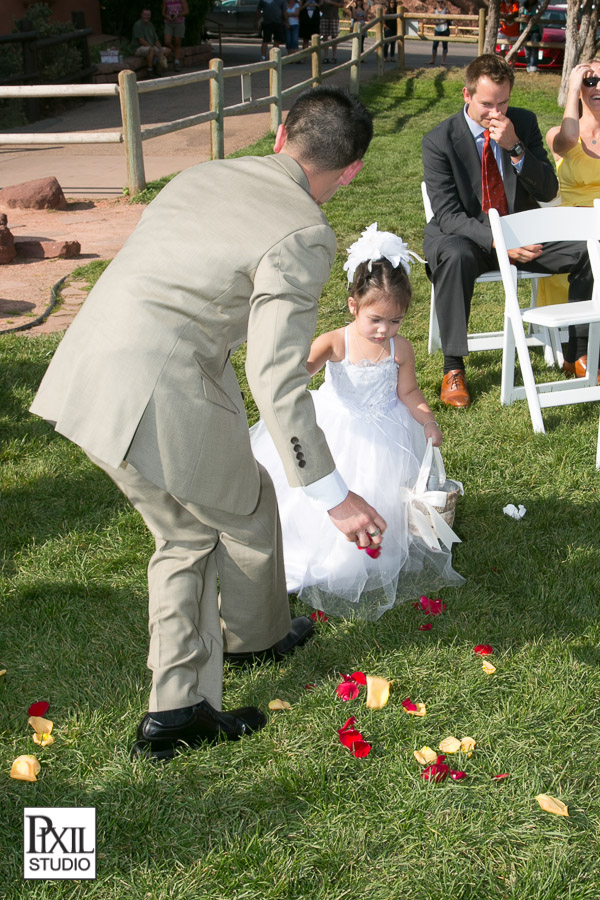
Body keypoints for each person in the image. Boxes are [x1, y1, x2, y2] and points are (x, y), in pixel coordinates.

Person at [29, 87, 378, 760]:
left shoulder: (204, 172)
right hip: (151, 390)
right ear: (353, 169)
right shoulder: (306, 233)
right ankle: (177, 713)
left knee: (246, 501)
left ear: (281, 134)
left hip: (88, 367)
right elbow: (276, 378)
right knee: (188, 534)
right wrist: (334, 496)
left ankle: (255, 638)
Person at [251, 224, 464, 621]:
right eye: (377, 320)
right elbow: (299, 372)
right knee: (330, 496)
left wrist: (427, 420)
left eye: (396, 321)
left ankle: (378, 547)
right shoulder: (336, 342)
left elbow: (410, 393)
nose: (385, 330)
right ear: (354, 306)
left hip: (388, 434)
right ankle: (328, 550)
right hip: (339, 430)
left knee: (386, 496)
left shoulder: (402, 349)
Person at [421, 53, 593, 408]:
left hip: (526, 236)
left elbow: (548, 191)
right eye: (486, 104)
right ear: (466, 96)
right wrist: (502, 243)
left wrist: (516, 149)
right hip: (469, 238)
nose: (495, 113)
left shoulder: (523, 124)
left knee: (590, 247)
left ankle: (578, 352)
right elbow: (449, 216)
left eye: (503, 103)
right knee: (453, 254)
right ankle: (453, 367)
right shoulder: (439, 140)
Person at [538, 60, 600, 380]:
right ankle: (581, 351)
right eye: (591, 82)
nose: (598, 87)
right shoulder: (560, 137)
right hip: (573, 227)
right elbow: (570, 135)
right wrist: (574, 85)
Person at [132, 8, 170, 77]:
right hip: (139, 47)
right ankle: (150, 70)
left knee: (167, 51)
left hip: (151, 46)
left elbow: (156, 40)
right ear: (141, 15)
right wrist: (152, 47)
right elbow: (141, 40)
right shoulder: (138, 25)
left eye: (148, 15)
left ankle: (156, 66)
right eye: (145, 15)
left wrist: (160, 49)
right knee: (152, 50)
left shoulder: (151, 25)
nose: (147, 16)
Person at [162, 0, 188, 72]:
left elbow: (186, 11)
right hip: (168, 22)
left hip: (179, 22)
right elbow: (163, 12)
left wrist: (178, 15)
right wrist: (167, 16)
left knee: (177, 42)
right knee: (167, 41)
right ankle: (175, 52)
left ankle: (176, 61)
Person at [519, 0, 541, 74]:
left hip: (535, 30)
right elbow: (520, 16)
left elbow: (539, 15)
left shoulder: (537, 6)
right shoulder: (523, 6)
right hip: (524, 29)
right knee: (527, 49)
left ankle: (533, 67)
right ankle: (528, 65)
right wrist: (523, 17)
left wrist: (531, 16)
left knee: (534, 48)